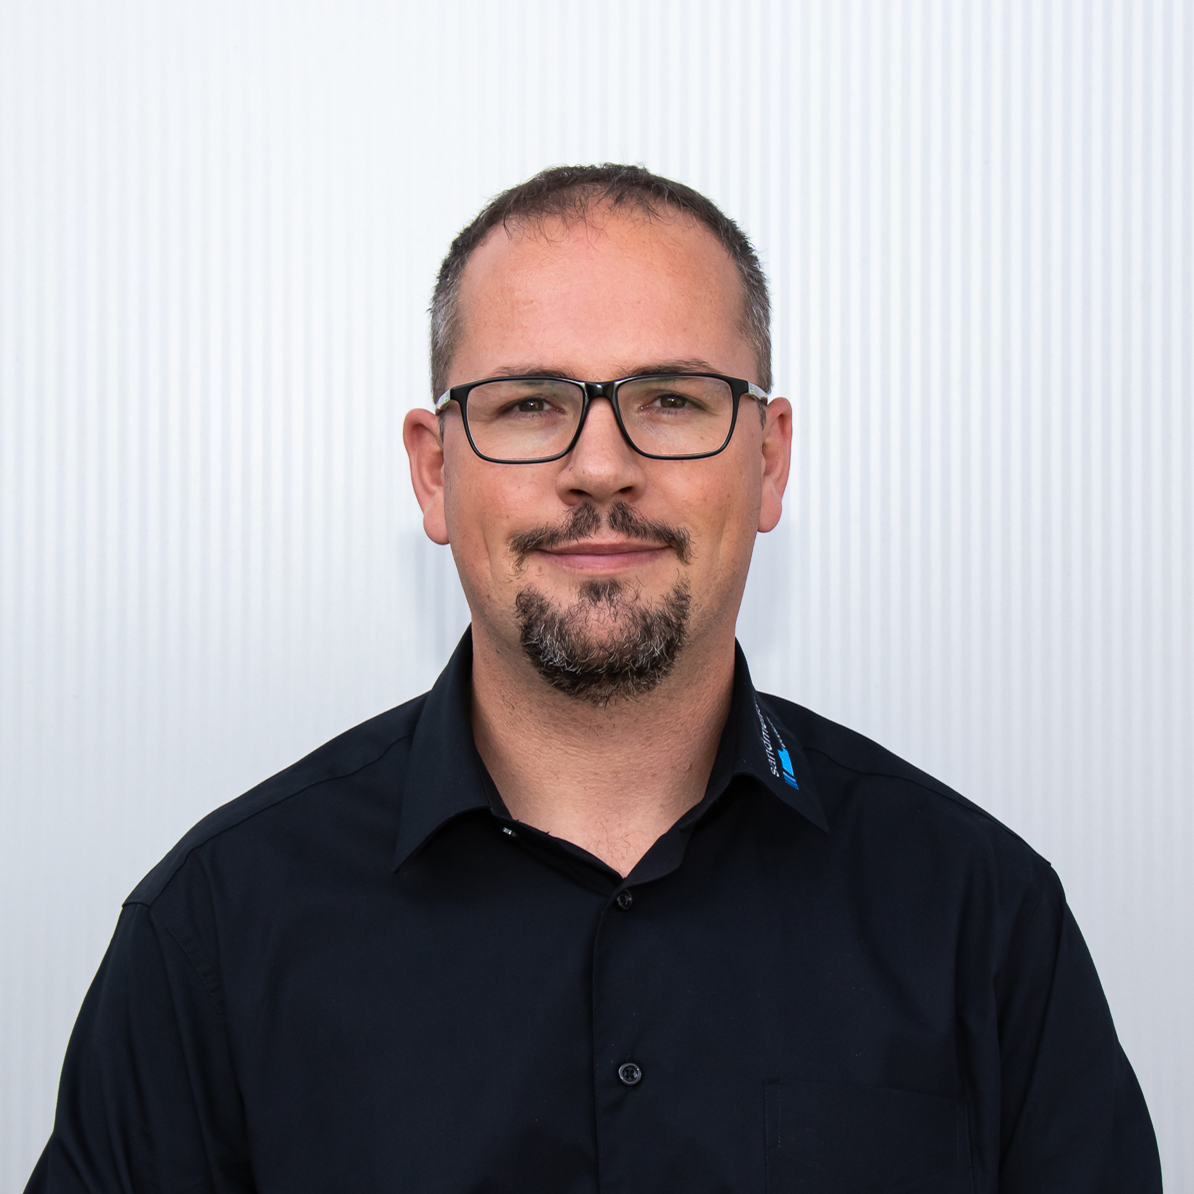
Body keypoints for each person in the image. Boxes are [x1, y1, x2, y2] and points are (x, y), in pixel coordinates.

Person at [26, 164, 1160, 1193]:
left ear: (769, 461)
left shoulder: (981, 921)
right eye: (530, 404)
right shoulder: (215, 936)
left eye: (671, 399)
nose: (601, 467)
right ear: (434, 473)